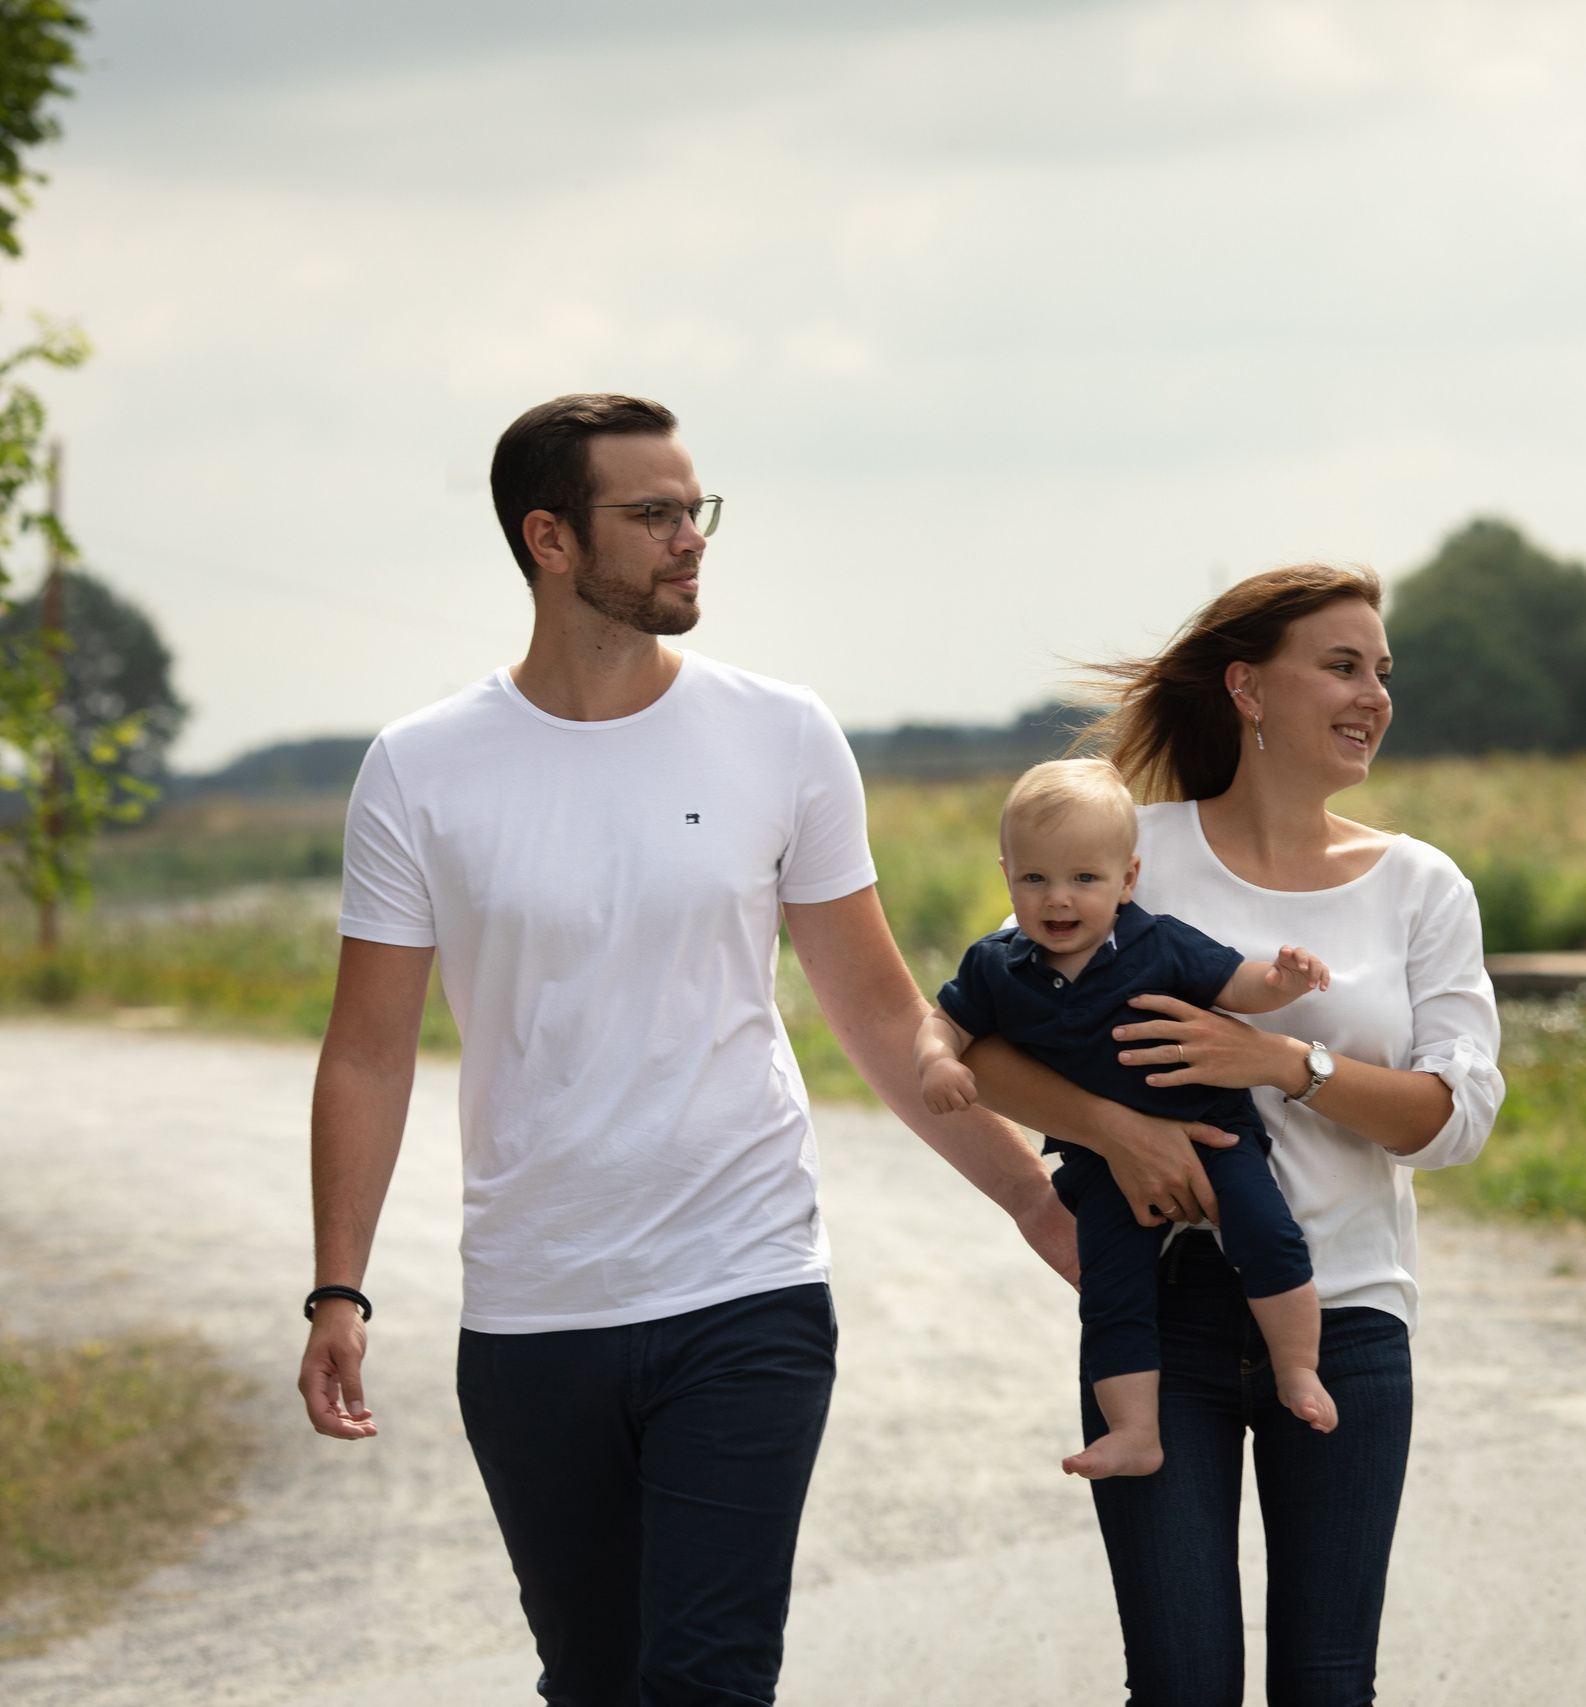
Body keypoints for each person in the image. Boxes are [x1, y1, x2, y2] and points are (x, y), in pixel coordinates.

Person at [293, 393, 1073, 1707]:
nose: (689, 539)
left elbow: (882, 1014)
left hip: (746, 1281)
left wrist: (1036, 1195)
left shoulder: (781, 733)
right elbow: (368, 1050)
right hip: (535, 1306)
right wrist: (338, 1288)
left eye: (694, 509)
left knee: (708, 1678)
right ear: (549, 537)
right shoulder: (422, 769)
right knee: (595, 1678)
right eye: (651, 514)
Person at [961, 564, 1503, 1707]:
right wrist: (1114, 1131)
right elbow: (974, 1039)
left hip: (1345, 1317)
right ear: (1248, 689)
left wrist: (1285, 1064)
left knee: (1324, 1684)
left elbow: (1454, 1121)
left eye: (1382, 672)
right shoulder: (1119, 845)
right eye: (1342, 667)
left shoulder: (1419, 885)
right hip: (1159, 1325)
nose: (1373, 696)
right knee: (1180, 1683)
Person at [914, 759, 1336, 1481]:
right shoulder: (997, 965)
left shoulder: (1158, 942)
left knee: (1266, 1233)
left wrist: (1281, 979)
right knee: (1112, 1286)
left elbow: (1236, 982)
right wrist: (936, 1062)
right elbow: (943, 1022)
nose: (1058, 899)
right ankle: (1135, 1429)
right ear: (1007, 873)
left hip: (1211, 1126)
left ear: (1127, 880)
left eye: (1085, 878)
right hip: (1101, 1161)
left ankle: (1297, 1368)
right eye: (1035, 878)